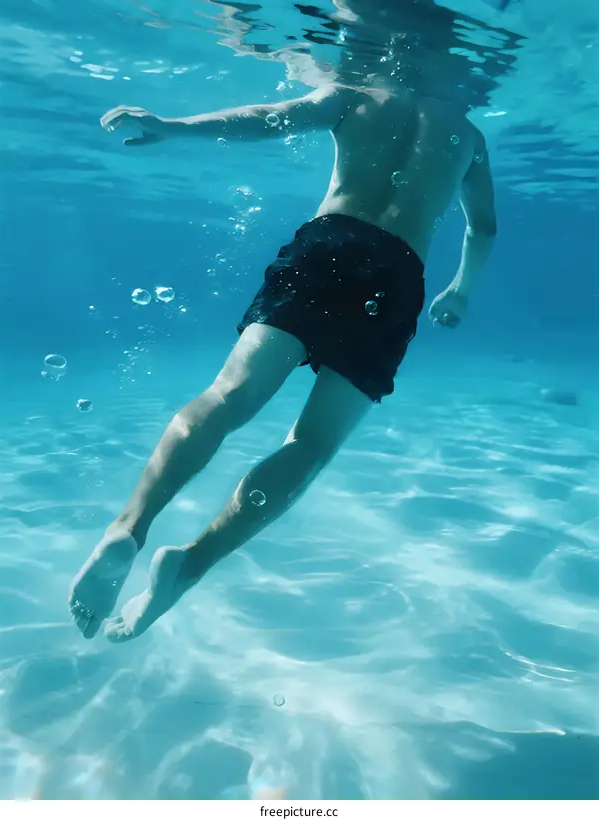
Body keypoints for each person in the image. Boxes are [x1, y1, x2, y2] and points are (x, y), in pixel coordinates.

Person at [68, 78, 497, 642]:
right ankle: (191, 565)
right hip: (397, 276)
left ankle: (129, 527)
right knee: (312, 444)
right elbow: (483, 225)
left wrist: (173, 127)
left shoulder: (356, 93)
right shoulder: (468, 136)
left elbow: (271, 116)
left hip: (328, 246)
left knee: (226, 398)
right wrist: (460, 290)